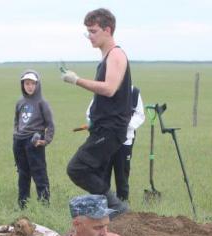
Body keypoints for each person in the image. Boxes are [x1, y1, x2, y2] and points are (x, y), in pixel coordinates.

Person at [62, 8, 133, 216]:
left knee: (77, 168)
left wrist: (77, 80)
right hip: (102, 127)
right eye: (88, 32)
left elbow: (109, 89)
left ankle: (117, 208)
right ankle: (105, 216)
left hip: (111, 129)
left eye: (93, 31)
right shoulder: (106, 57)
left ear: (107, 30)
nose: (90, 37)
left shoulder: (116, 55)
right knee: (96, 172)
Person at [86, 85, 144, 202]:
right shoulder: (103, 90)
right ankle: (103, 206)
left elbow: (140, 114)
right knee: (103, 175)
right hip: (104, 141)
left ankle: (123, 207)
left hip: (125, 140)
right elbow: (90, 113)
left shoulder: (134, 93)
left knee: (122, 176)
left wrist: (124, 126)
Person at [13, 69, 55, 208]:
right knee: (22, 174)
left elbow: (50, 124)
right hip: (19, 141)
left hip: (34, 141)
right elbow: (16, 121)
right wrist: (16, 134)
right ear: (22, 85)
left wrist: (46, 140)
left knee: (39, 174)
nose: (29, 86)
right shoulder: (20, 102)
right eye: (26, 83)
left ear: (37, 85)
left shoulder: (42, 103)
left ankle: (44, 204)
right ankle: (22, 204)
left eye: (32, 83)